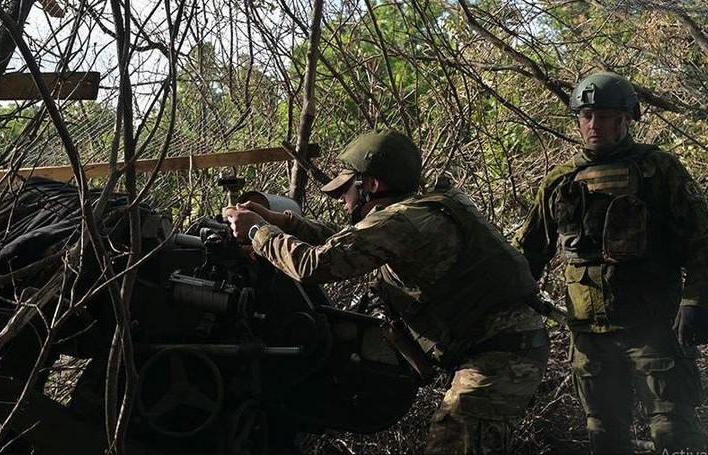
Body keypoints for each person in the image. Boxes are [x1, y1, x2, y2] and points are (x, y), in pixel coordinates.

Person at [225, 129, 550, 454]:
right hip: (505, 349)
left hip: (500, 357)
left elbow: (316, 265)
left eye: (345, 188)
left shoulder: (403, 222)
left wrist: (257, 230)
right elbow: (350, 242)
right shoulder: (414, 214)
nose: (341, 199)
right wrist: (282, 221)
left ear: (371, 186)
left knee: (453, 441)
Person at [515, 71, 708, 453]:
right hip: (589, 334)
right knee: (604, 435)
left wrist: (695, 302)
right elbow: (528, 254)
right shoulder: (560, 180)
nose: (593, 125)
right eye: (586, 116)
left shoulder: (659, 170)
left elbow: (702, 241)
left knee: (673, 431)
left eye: (603, 116)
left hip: (654, 325)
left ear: (625, 119)